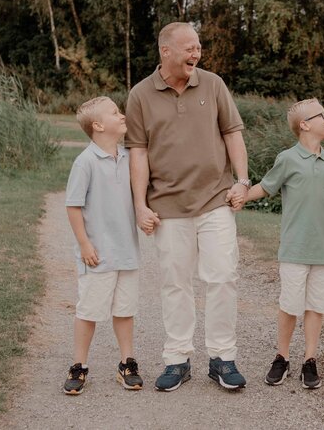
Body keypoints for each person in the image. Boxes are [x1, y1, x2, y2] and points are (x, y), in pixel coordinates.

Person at [124, 22, 250, 391]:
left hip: (215, 200)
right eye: (189, 48)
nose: (196, 54)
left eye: (198, 47)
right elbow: (138, 153)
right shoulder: (140, 95)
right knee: (175, 284)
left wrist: (242, 181)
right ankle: (177, 359)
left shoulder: (213, 84)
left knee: (222, 277)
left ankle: (222, 358)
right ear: (166, 51)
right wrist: (139, 205)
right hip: (167, 207)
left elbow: (232, 133)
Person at [243, 99, 324, 389]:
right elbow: (265, 187)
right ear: (304, 125)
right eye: (322, 115)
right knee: (290, 305)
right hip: (294, 248)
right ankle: (282, 356)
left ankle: (310, 360)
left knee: (317, 306)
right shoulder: (287, 158)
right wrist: (240, 196)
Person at [63, 96, 143, 395]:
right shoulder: (85, 162)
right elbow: (73, 206)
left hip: (126, 251)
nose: (122, 115)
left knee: (125, 310)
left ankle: (127, 362)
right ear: (98, 126)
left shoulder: (128, 157)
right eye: (115, 113)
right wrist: (84, 244)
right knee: (90, 311)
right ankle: (79, 365)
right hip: (97, 254)